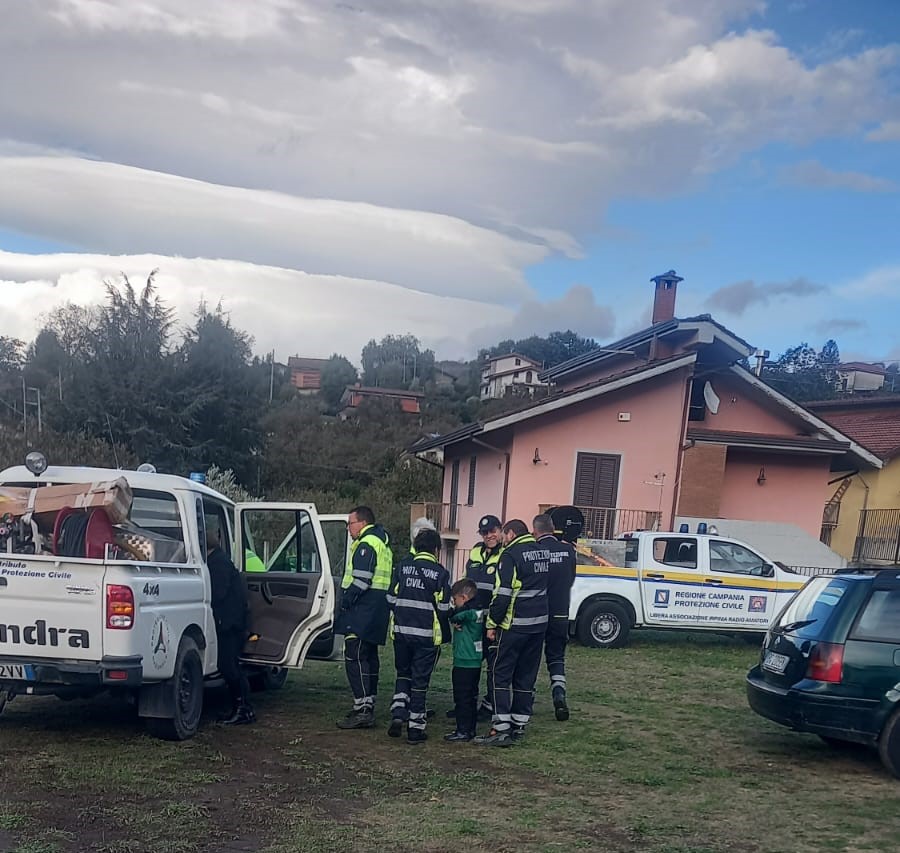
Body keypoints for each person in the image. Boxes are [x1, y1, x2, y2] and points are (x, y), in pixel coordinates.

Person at [475, 519, 549, 747]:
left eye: (504, 535)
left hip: (514, 625)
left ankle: (501, 728)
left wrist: (491, 624)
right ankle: (519, 724)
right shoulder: (542, 553)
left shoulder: (510, 555)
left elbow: (503, 595)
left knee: (500, 673)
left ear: (510, 534)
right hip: (538, 625)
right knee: (526, 675)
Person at [386, 527, 451, 744]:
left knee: (403, 673)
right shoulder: (441, 573)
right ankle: (415, 728)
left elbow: (390, 598)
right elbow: (443, 608)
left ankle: (397, 714)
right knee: (420, 681)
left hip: (401, 633)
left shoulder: (402, 567)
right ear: (435, 549)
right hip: (426, 637)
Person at [336, 506, 393, 730]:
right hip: (378, 607)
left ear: (361, 523)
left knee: (355, 655)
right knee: (369, 656)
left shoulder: (366, 543)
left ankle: (362, 709)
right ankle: (368, 703)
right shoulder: (382, 543)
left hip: (364, 606)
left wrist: (346, 601)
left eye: (350, 524)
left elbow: (361, 580)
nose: (348, 529)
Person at [206, 530, 255, 725]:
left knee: (229, 666)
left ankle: (243, 709)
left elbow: (217, 593)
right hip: (232, 621)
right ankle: (241, 707)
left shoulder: (217, 564)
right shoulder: (221, 560)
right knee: (230, 665)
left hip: (228, 622)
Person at [533, 513, 576, 721]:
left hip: (538, 612)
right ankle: (559, 693)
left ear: (535, 531)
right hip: (560, 612)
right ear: (553, 529)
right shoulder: (569, 550)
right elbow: (571, 579)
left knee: (530, 658)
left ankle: (527, 698)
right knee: (556, 657)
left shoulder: (535, 551)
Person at [460, 514, 503, 721]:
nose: (489, 536)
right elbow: (464, 585)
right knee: (471, 664)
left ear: (500, 530)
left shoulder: (505, 555)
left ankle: (489, 705)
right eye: (485, 532)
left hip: (494, 622)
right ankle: (467, 705)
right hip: (473, 621)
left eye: (492, 531)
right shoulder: (475, 552)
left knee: (493, 666)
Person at [444, 578, 483, 743]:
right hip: (475, 660)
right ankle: (470, 729)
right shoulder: (478, 612)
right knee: (471, 697)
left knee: (462, 698)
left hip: (464, 661)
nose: (454, 603)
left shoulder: (468, 613)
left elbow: (453, 616)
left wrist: (453, 615)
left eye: (455, 600)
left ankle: (463, 730)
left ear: (464, 598)